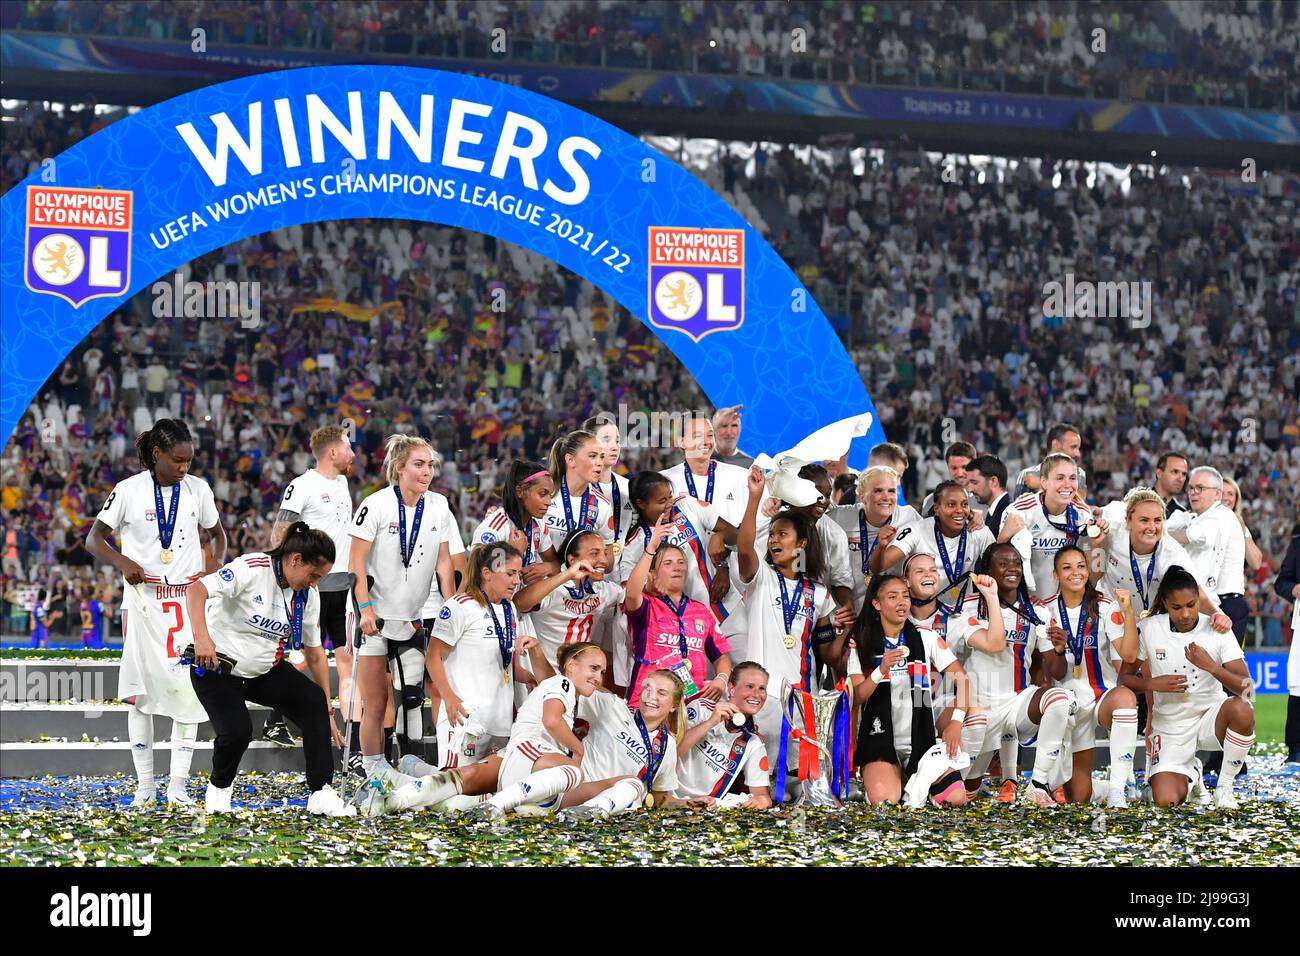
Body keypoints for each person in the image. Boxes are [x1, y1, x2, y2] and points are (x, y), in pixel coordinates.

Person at [85, 418, 226, 808]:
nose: (185, 468)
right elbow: (94, 539)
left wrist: (215, 559)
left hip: (185, 600)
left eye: (190, 461)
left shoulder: (198, 489)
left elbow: (217, 533)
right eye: (179, 461)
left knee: (188, 693)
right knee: (139, 694)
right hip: (143, 601)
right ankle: (145, 784)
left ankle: (177, 785)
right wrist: (121, 559)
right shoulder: (128, 490)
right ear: (157, 454)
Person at [184, 523, 352, 816]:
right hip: (217, 667)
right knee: (237, 732)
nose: (314, 583)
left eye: (320, 579)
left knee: (312, 701)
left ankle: (321, 792)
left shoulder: (308, 596)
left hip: (264, 671)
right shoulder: (253, 567)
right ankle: (219, 792)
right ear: (295, 560)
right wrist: (202, 640)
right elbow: (197, 590)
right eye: (314, 575)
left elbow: (314, 654)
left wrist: (327, 707)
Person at [380, 642, 608, 817]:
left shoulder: (561, 689)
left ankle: (392, 796)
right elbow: (551, 721)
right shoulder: (563, 683)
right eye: (594, 668)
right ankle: (497, 805)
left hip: (514, 755)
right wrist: (578, 750)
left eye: (602, 672)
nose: (598, 677)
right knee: (575, 774)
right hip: (531, 753)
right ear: (571, 666)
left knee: (463, 781)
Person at [349, 435, 456, 783]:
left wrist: (451, 607)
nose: (427, 472)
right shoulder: (375, 504)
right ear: (400, 468)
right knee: (376, 702)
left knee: (412, 698)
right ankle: (373, 765)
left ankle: (410, 763)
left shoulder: (439, 505)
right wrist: (364, 609)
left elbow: (443, 562)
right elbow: (356, 562)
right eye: (419, 464)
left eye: (430, 465)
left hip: (412, 619)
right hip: (375, 619)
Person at [734, 465, 851, 761]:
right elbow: (746, 548)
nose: (773, 540)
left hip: (803, 698)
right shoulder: (762, 578)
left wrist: (846, 628)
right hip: (761, 696)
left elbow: (829, 656)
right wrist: (754, 499)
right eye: (772, 535)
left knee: (796, 785)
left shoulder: (820, 594)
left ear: (801, 543)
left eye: (782, 534)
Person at [846, 572, 993, 807]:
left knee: (956, 798)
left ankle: (915, 777)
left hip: (922, 743)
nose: (902, 602)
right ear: (876, 603)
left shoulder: (925, 637)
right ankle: (898, 778)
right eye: (892, 597)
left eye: (905, 595)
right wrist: (880, 669)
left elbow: (963, 681)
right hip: (880, 744)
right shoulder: (862, 642)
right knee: (884, 801)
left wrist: (955, 721)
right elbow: (856, 697)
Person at [474, 668, 698, 821]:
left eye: (661, 693)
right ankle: (496, 802)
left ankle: (581, 815)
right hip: (569, 790)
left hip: (607, 810)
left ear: (673, 705)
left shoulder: (666, 745)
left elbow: (659, 797)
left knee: (636, 786)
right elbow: (562, 687)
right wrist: (537, 651)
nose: (650, 696)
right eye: (647, 688)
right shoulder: (612, 707)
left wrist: (688, 803)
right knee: (633, 783)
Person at [1120, 567, 1255, 808]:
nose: (1185, 614)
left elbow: (1247, 689)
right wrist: (1152, 683)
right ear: (1165, 604)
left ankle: (1224, 787)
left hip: (1210, 718)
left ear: (1199, 600)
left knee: (1243, 709)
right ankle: (1193, 774)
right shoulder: (1150, 628)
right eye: (1176, 607)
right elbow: (1124, 679)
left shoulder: (1217, 628)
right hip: (1170, 727)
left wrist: (1213, 668)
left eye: (1191, 605)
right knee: (1166, 800)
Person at [956, 543, 1076, 805]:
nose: (1012, 569)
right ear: (987, 571)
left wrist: (1058, 650)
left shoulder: (1037, 612)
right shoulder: (969, 606)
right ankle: (978, 781)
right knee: (962, 793)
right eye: (1003, 564)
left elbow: (1058, 670)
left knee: (1060, 698)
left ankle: (1038, 783)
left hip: (1016, 703)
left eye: (1017, 563)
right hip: (979, 711)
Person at [261, 424, 356, 748]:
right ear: (332, 452)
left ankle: (349, 736)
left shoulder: (343, 483)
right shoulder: (301, 486)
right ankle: (276, 718)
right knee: (301, 655)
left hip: (342, 586)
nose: (352, 453)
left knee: (342, 656)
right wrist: (283, 582)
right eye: (347, 447)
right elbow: (280, 532)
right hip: (312, 588)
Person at [426, 542, 544, 772]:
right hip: (464, 719)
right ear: (487, 573)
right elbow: (432, 657)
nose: (516, 581)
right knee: (453, 793)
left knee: (484, 796)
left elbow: (505, 665)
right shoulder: (460, 606)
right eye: (510, 574)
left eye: (518, 574)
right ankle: (411, 773)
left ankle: (417, 773)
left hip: (499, 723)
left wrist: (529, 678)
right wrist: (449, 698)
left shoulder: (509, 608)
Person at [1039, 546, 1139, 807]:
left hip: (1100, 698)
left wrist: (1129, 613)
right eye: (1067, 567)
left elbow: (1129, 655)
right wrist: (1060, 650)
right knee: (1077, 797)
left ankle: (1118, 789)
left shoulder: (1104, 605)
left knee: (1126, 699)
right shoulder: (1045, 611)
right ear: (1056, 574)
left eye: (1081, 566)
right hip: (1067, 707)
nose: (1076, 573)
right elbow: (1051, 669)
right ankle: (1110, 784)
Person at [621, 517, 733, 706]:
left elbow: (721, 656)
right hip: (647, 701)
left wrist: (721, 679)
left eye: (681, 562)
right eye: (668, 563)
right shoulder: (647, 605)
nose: (677, 567)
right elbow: (631, 594)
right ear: (653, 574)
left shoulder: (701, 611)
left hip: (689, 705)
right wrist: (650, 550)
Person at [871, 479, 997, 611]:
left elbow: (998, 562)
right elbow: (878, 567)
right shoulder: (917, 530)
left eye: (964, 504)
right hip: (922, 613)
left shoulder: (978, 531)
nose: (959, 510)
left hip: (964, 613)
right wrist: (881, 546)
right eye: (951, 505)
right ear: (937, 508)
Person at [513, 529, 625, 668]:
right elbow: (519, 603)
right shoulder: (553, 587)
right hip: (543, 674)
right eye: (595, 554)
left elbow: (633, 594)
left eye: (605, 553)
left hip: (577, 677)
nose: (604, 561)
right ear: (572, 560)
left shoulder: (605, 590)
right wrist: (568, 574)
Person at [675, 661, 774, 808]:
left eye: (762, 688)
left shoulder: (753, 741)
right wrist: (710, 723)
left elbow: (763, 796)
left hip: (704, 811)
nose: (757, 694)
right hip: (670, 799)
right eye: (749, 686)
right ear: (732, 688)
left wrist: (759, 802)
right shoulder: (701, 708)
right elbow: (672, 751)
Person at [1166, 467, 1248, 644]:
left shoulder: (1219, 515)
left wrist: (1160, 537)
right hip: (1211, 602)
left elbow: (1195, 536)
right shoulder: (1201, 516)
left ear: (1217, 494)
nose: (1194, 493)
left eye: (1200, 488)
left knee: (1225, 668)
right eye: (1191, 488)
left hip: (1226, 605)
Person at [1011, 452, 1107, 600]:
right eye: (1060, 478)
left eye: (1072, 478)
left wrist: (1098, 545)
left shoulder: (1083, 515)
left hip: (1066, 606)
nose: (1068, 484)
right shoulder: (1020, 511)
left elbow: (1095, 575)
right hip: (1026, 604)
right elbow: (999, 563)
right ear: (1043, 482)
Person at [828, 465, 920, 613]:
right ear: (862, 497)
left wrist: (971, 516)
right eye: (878, 491)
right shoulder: (840, 517)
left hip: (890, 612)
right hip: (848, 611)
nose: (886, 497)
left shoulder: (909, 517)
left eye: (892, 491)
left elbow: (935, 532)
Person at [471, 458, 560, 581]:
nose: (548, 502)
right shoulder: (493, 530)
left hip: (526, 598)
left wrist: (548, 567)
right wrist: (515, 552)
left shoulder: (537, 523)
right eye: (542, 494)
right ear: (520, 491)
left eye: (550, 495)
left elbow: (556, 564)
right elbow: (481, 582)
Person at [661, 416, 750, 527]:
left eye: (710, 435)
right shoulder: (664, 481)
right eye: (698, 436)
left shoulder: (740, 475)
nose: (706, 441)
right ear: (682, 442)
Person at [544, 430, 616, 545]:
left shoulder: (602, 505)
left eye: (602, 457)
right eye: (593, 456)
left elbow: (608, 556)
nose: (600, 463)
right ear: (571, 460)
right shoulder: (545, 495)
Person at [1273, 527, 1300, 763]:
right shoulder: (1298, 543)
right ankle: (1296, 748)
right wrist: (1294, 589)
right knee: (1299, 684)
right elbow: (1281, 582)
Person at [1014, 423, 1088, 498]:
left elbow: (1080, 503)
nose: (1078, 454)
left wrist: (1042, 485)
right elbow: (1017, 508)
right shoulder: (1028, 474)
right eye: (1073, 447)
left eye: (1078, 448)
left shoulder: (1079, 474)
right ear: (1056, 445)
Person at [1220, 477, 1265, 574]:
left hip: (1233, 588)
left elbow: (1256, 563)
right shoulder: (1203, 521)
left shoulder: (1241, 527)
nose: (1225, 498)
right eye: (1221, 493)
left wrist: (1243, 529)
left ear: (1236, 499)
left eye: (1230, 494)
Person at [920, 441, 977, 516]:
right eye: (954, 468)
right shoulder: (931, 500)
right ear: (948, 468)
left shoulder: (988, 501)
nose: (959, 473)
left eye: (965, 467)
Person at [965, 454, 1014, 536]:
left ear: (993, 482)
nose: (970, 489)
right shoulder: (995, 511)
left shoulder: (1009, 512)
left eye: (974, 482)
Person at [711, 404, 754, 468]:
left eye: (734, 426)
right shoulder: (699, 459)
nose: (729, 432)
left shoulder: (751, 465)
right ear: (714, 429)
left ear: (740, 429)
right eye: (724, 426)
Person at [1153, 451, 1189, 518]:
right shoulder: (1136, 503)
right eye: (1175, 472)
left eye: (1184, 474)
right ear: (1159, 473)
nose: (1180, 479)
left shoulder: (1182, 515)